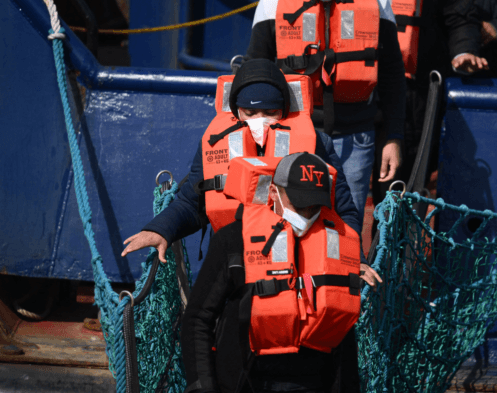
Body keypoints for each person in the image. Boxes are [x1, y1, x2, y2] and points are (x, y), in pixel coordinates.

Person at [122, 59, 376, 270]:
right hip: (233, 258)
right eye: (250, 113)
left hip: (298, 259)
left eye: (270, 113)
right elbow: (192, 202)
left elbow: (344, 212)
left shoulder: (318, 144)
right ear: (236, 111)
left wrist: (357, 260)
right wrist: (160, 230)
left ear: (284, 110)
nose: (260, 121)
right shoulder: (214, 145)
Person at [244, 0, 406, 230]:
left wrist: (393, 137)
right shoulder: (272, 2)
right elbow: (254, 71)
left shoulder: (377, 2)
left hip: (355, 136)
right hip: (292, 131)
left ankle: (344, 278)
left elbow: (392, 78)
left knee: (348, 222)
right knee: (289, 217)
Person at [181, 152, 380, 393]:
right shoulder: (233, 240)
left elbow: (344, 334)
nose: (307, 214)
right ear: (274, 192)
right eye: (299, 203)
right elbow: (197, 320)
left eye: (315, 206)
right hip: (248, 380)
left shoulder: (337, 245)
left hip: (315, 381)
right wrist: (202, 387)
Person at [355, 0, 487, 193]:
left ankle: (394, 232)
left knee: (402, 175)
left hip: (412, 88)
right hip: (358, 86)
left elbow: (460, 16)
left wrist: (463, 51)